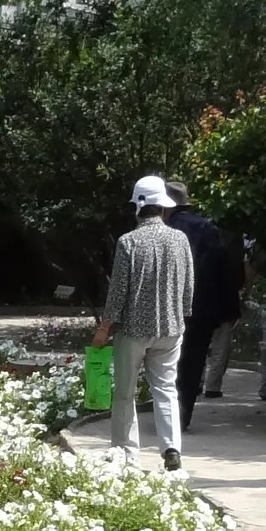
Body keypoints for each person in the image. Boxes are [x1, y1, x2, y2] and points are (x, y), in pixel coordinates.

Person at [93, 174, 195, 471]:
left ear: (138, 207)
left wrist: (104, 326)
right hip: (171, 328)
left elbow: (119, 289)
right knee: (166, 389)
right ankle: (172, 448)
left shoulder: (129, 242)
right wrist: (181, 312)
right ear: (163, 207)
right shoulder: (180, 239)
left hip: (134, 330)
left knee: (125, 392)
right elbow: (188, 285)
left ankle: (127, 454)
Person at [168, 181, 248, 427]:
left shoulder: (162, 229)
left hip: (167, 307)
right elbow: (227, 270)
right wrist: (228, 310)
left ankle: (166, 414)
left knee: (165, 361)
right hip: (201, 308)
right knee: (193, 361)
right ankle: (182, 416)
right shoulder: (208, 229)